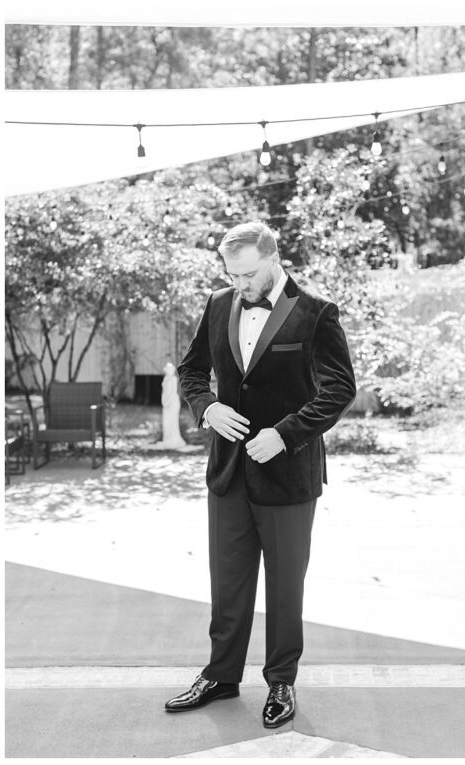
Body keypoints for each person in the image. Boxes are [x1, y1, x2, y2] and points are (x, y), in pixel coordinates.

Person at [169, 221, 357, 727]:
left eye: (248, 275)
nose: (240, 285)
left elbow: (339, 389)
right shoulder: (218, 303)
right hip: (227, 471)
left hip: (289, 474)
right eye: (232, 275)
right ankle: (220, 675)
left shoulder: (317, 312)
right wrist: (206, 407)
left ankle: (281, 683)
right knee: (227, 581)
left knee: (284, 587)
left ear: (273, 258)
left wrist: (287, 432)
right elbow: (191, 370)